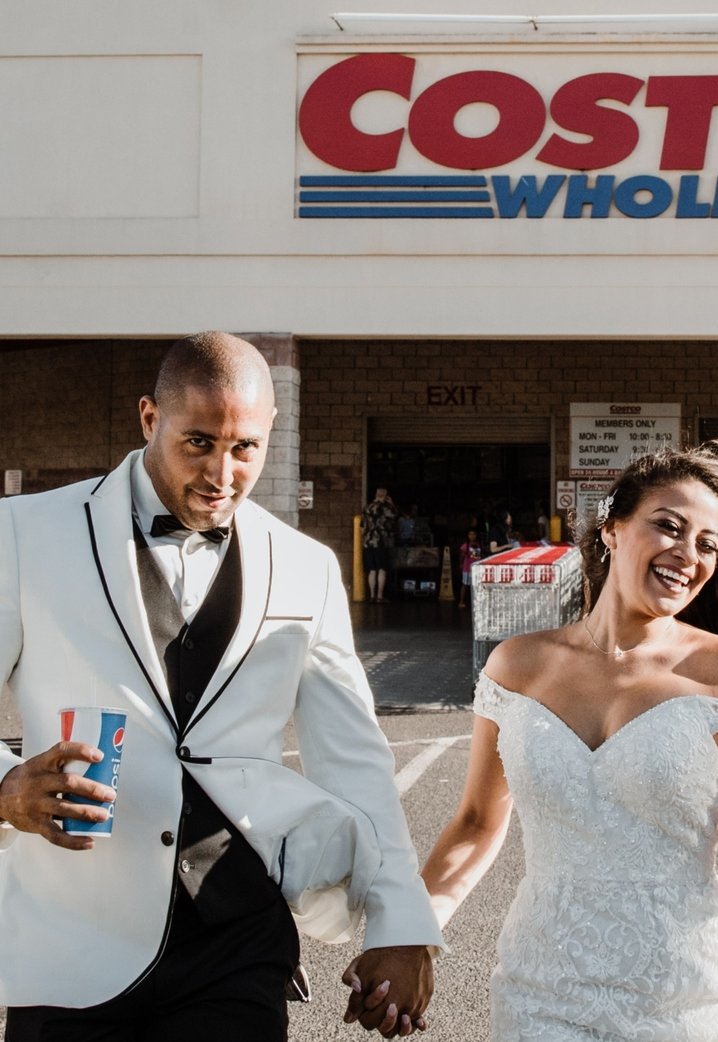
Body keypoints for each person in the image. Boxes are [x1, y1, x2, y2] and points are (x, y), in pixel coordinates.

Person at [0, 332, 442, 1041]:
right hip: (71, 942)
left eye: (245, 449)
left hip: (237, 939)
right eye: (198, 442)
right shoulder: (25, 533)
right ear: (150, 419)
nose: (222, 472)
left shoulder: (306, 565)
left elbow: (356, 759)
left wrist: (401, 923)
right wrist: (5, 791)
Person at [419, 442, 718, 1041]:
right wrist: (411, 934)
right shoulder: (516, 665)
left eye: (707, 543)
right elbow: (474, 823)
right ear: (612, 529)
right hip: (537, 996)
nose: (688, 554)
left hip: (684, 1003)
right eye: (669, 527)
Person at [363, 487, 397, 603]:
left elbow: (363, 524)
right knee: (382, 569)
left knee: (372, 569)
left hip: (368, 540)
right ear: (385, 496)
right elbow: (394, 516)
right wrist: (391, 503)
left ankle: (372, 595)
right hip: (380, 540)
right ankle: (379, 596)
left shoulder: (367, 507)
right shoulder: (385, 507)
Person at [458, 528, 483, 609]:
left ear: (476, 535)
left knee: (476, 585)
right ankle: (461, 601)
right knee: (465, 585)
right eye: (470, 534)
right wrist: (461, 564)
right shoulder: (465, 545)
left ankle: (477, 601)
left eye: (473, 534)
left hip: (476, 567)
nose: (472, 536)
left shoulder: (479, 544)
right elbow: (461, 556)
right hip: (467, 568)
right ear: (468, 536)